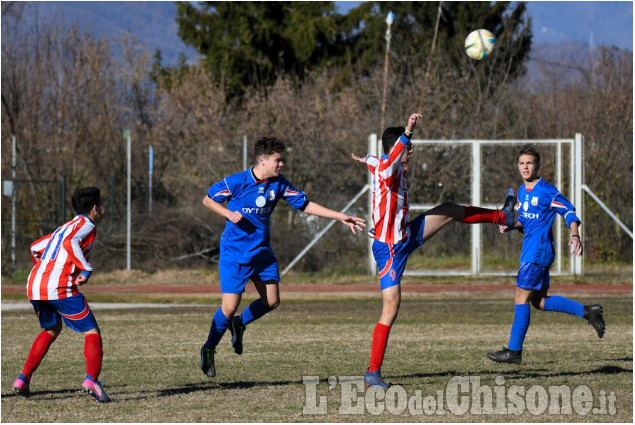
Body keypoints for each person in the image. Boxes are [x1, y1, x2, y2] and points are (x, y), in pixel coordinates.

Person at [351, 113, 516, 388]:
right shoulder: (389, 168)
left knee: (450, 209)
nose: (411, 151)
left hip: (406, 235)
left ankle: (504, 217)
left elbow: (375, 160)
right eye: (408, 148)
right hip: (390, 249)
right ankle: (372, 372)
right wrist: (408, 131)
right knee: (391, 309)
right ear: (396, 149)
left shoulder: (381, 163)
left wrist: (363, 159)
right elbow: (389, 160)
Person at [200, 136, 366, 377]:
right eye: (278, 160)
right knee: (229, 307)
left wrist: (340, 216)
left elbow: (305, 205)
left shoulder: (279, 184)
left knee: (272, 301)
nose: (282, 165)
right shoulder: (236, 182)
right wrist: (227, 213)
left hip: (262, 253)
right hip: (234, 254)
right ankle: (208, 349)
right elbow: (208, 199)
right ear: (262, 160)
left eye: (282, 160)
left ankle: (239, 323)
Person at [487, 144, 605, 365]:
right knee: (539, 301)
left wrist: (575, 235)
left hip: (537, 252)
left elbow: (568, 210)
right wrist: (511, 225)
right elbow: (526, 220)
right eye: (522, 163)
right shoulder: (522, 191)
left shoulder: (546, 190)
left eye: (529, 163)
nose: (525, 167)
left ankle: (514, 352)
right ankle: (589, 312)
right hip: (532, 251)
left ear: (538, 166)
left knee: (520, 298)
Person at [12, 187, 111, 403]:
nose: (104, 208)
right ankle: (91, 380)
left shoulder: (64, 227)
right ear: (95, 208)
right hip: (59, 286)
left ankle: (22, 379)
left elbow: (36, 247)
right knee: (92, 332)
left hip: (35, 285)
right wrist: (86, 269)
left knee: (52, 329)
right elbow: (70, 243)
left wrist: (46, 271)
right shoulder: (86, 225)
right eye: (102, 204)